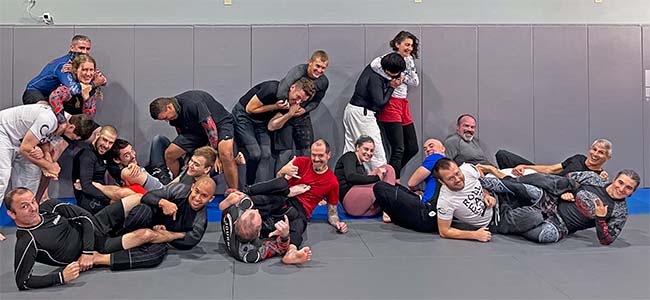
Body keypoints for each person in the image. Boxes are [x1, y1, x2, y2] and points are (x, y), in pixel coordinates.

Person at [6, 187, 168, 290]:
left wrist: (87, 251)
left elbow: (85, 217)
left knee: (136, 198)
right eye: (24, 206)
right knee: (146, 235)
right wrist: (60, 277)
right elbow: (23, 282)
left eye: (33, 201)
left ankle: (169, 209)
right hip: (100, 247)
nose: (33, 208)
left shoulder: (49, 207)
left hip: (94, 227)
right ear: (12, 214)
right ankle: (177, 235)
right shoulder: (27, 241)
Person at [433, 158, 545, 242]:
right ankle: (548, 212)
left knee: (531, 185)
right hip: (497, 221)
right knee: (535, 216)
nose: (457, 179)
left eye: (457, 173)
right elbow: (444, 231)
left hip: (499, 197)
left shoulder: (467, 169)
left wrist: (486, 194)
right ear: (442, 182)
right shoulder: (445, 201)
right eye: (451, 178)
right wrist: (474, 235)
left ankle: (550, 195)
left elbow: (481, 176)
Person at [516, 169, 640, 245]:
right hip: (551, 200)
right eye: (620, 182)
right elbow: (564, 178)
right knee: (531, 188)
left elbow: (607, 240)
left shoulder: (620, 212)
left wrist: (600, 219)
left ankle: (508, 222)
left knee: (544, 236)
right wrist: (564, 192)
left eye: (628, 188)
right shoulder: (594, 179)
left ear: (632, 192)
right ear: (614, 180)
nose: (622, 189)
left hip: (561, 225)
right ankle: (507, 181)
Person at [149, 90, 238, 192]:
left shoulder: (193, 103)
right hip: (195, 131)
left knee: (225, 154)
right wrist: (188, 153)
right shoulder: (173, 113)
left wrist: (216, 154)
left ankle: (234, 192)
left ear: (169, 107)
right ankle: (176, 184)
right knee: (170, 154)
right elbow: (180, 131)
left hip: (219, 124)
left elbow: (211, 130)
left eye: (165, 117)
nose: (166, 120)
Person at [233, 78, 314, 185]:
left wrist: (289, 114)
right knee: (255, 153)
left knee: (266, 154)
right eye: (298, 97)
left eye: (302, 101)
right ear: (292, 87)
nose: (298, 102)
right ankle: (248, 186)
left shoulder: (291, 103)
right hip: (244, 116)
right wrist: (275, 106)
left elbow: (272, 126)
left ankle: (259, 189)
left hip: (261, 122)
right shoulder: (272, 89)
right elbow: (250, 109)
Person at [220, 177, 313, 264]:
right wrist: (285, 236)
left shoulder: (233, 213)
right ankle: (292, 252)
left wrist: (230, 199)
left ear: (236, 221)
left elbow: (223, 205)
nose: (256, 210)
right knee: (298, 220)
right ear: (258, 234)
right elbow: (279, 248)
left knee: (281, 185)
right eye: (258, 215)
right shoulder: (250, 253)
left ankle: (285, 196)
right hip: (268, 224)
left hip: (264, 208)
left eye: (252, 211)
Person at [343, 52, 406, 170]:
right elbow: (379, 102)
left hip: (352, 110)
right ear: (388, 71)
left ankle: (345, 183)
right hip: (363, 114)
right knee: (375, 153)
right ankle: (382, 186)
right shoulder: (376, 77)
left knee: (351, 151)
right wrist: (392, 87)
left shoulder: (373, 66)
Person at [280, 139, 348, 247]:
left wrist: (338, 223)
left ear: (328, 155)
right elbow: (278, 183)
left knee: (296, 226)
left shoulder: (332, 182)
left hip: (300, 210)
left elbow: (332, 214)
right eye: (313, 155)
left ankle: (291, 250)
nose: (316, 159)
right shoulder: (299, 162)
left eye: (320, 155)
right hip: (282, 200)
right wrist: (283, 171)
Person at [370, 31, 420, 180]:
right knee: (398, 149)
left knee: (412, 148)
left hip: (403, 104)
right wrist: (392, 75)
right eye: (406, 44)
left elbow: (415, 81)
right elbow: (374, 65)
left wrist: (401, 76)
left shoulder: (409, 60)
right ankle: (392, 182)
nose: (409, 48)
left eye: (411, 45)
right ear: (397, 44)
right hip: (391, 103)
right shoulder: (388, 59)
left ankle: (390, 174)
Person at [373, 138, 445, 232]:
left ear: (442, 148)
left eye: (431, 146)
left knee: (380, 187)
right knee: (396, 186)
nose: (427, 149)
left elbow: (411, 183)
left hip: (426, 212)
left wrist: (416, 190)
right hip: (436, 218)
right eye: (425, 148)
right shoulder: (451, 165)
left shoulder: (436, 157)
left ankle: (390, 214)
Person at [273, 50, 330, 166]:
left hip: (302, 115)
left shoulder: (323, 82)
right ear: (310, 62)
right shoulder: (297, 72)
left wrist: (305, 109)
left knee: (307, 151)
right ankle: (280, 183)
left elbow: (316, 101)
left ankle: (304, 181)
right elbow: (281, 92)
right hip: (285, 113)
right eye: (317, 66)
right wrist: (289, 109)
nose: (319, 70)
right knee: (285, 152)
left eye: (323, 68)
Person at [136, 176, 217, 250]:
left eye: (204, 196)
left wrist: (170, 235)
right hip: (148, 220)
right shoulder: (179, 189)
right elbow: (147, 197)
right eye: (197, 191)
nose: (197, 198)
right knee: (142, 209)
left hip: (161, 239)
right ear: (192, 187)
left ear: (211, 199)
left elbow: (192, 241)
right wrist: (163, 203)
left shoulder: (201, 218)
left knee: (156, 252)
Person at [23, 35, 107, 105]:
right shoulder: (64, 65)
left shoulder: (79, 64)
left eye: (87, 49)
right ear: (72, 48)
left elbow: (102, 80)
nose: (84, 52)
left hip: (52, 96)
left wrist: (100, 80)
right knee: (46, 112)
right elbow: (74, 90)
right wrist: (94, 83)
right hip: (35, 92)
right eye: (81, 48)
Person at [334, 135, 396, 216]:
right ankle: (389, 207)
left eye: (371, 151)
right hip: (350, 201)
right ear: (357, 147)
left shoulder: (361, 166)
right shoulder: (350, 156)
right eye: (366, 149)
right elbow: (351, 177)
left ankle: (388, 206)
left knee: (387, 169)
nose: (369, 153)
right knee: (384, 176)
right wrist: (377, 178)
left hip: (359, 205)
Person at [495, 138, 613, 180]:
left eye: (601, 152)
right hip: (546, 178)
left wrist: (602, 177)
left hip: (551, 189)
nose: (595, 154)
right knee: (503, 155)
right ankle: (510, 184)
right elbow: (550, 169)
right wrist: (524, 167)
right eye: (594, 149)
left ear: (607, 158)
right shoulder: (578, 158)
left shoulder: (598, 176)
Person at [72, 125, 118, 214]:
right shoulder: (87, 155)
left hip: (102, 194)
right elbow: (86, 186)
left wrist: (132, 164)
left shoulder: (105, 153)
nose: (106, 145)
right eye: (104, 140)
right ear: (97, 135)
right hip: (88, 200)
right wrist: (109, 200)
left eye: (111, 143)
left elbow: (115, 169)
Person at [48, 54, 102, 124]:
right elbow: (54, 97)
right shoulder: (70, 85)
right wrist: (62, 122)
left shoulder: (93, 88)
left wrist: (86, 98)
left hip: (79, 125)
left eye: (91, 70)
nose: (88, 74)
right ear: (76, 70)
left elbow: (89, 117)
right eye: (84, 70)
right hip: (64, 124)